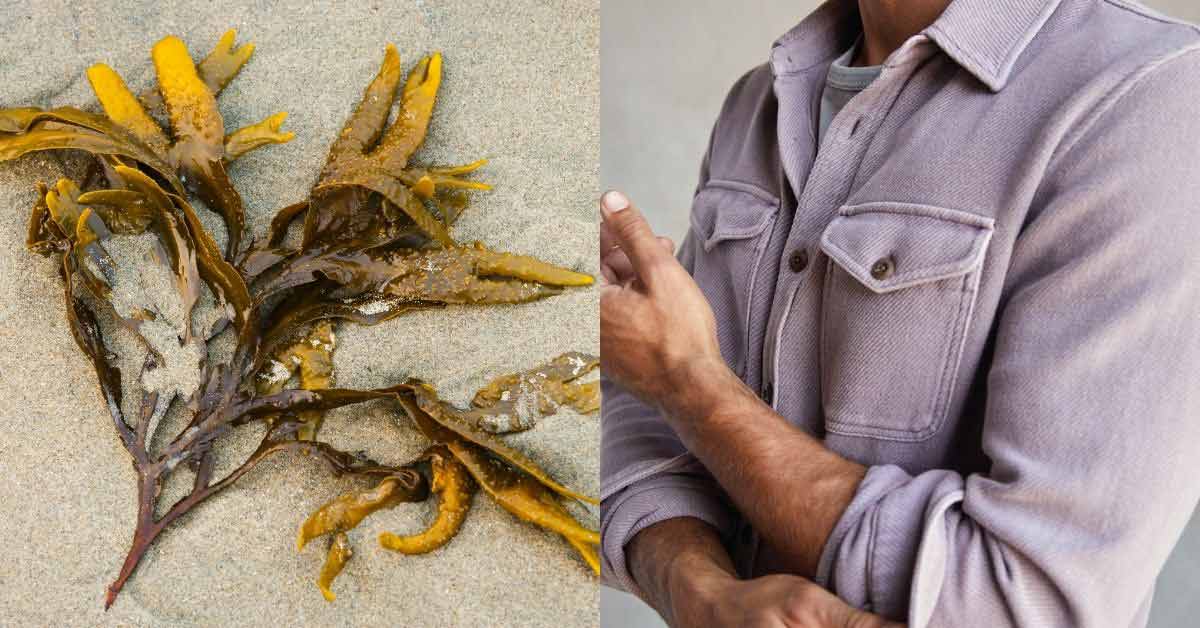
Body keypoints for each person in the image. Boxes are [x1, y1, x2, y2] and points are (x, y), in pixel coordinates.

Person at [598, 0, 1200, 626]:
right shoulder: (760, 100)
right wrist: (695, 588)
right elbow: (641, 419)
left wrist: (688, 382)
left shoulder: (1148, 96)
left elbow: (1026, 599)